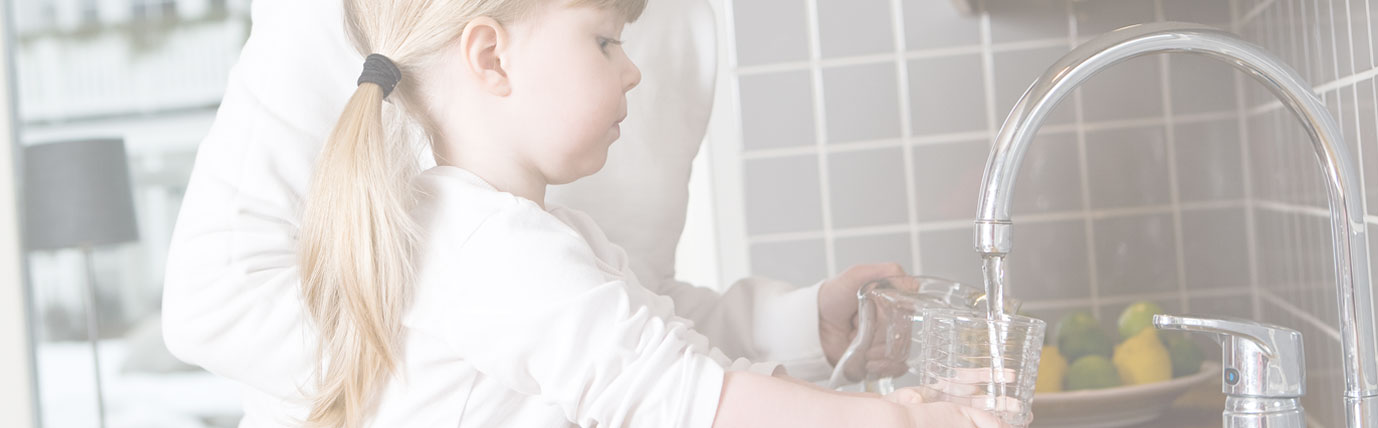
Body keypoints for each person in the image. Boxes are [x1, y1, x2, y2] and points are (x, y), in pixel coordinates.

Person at [161, 0, 1006, 427]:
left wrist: (805, 330)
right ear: (489, 55)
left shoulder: (545, 228)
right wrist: (891, 418)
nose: (630, 71)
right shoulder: (487, 240)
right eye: (606, 43)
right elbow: (662, 389)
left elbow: (642, 327)